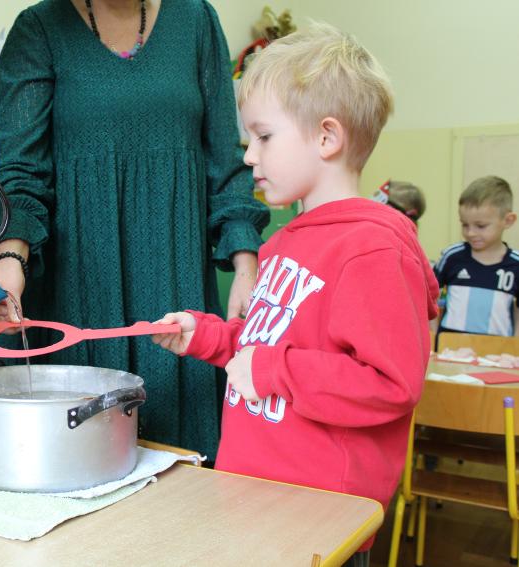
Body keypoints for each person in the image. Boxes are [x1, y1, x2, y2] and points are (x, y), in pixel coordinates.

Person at [151, 23, 439, 561]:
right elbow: (267, 344)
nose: (250, 157)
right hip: (254, 500)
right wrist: (206, 336)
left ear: (327, 138)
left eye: (263, 137)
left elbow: (389, 383)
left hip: (321, 518)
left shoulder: (372, 249)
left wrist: (271, 370)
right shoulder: (282, 243)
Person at [0, 0, 269, 461]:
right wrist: (10, 262)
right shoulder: (40, 28)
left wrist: (247, 267)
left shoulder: (196, 21)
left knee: (186, 476)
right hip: (78, 296)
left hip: (178, 287)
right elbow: (17, 172)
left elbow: (225, 162)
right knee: (79, 465)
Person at [433, 176, 519, 336]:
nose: (470, 233)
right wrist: (432, 337)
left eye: (480, 226)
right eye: (465, 224)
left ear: (508, 221)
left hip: (499, 349)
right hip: (450, 347)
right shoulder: (452, 257)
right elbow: (429, 297)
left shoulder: (516, 264)